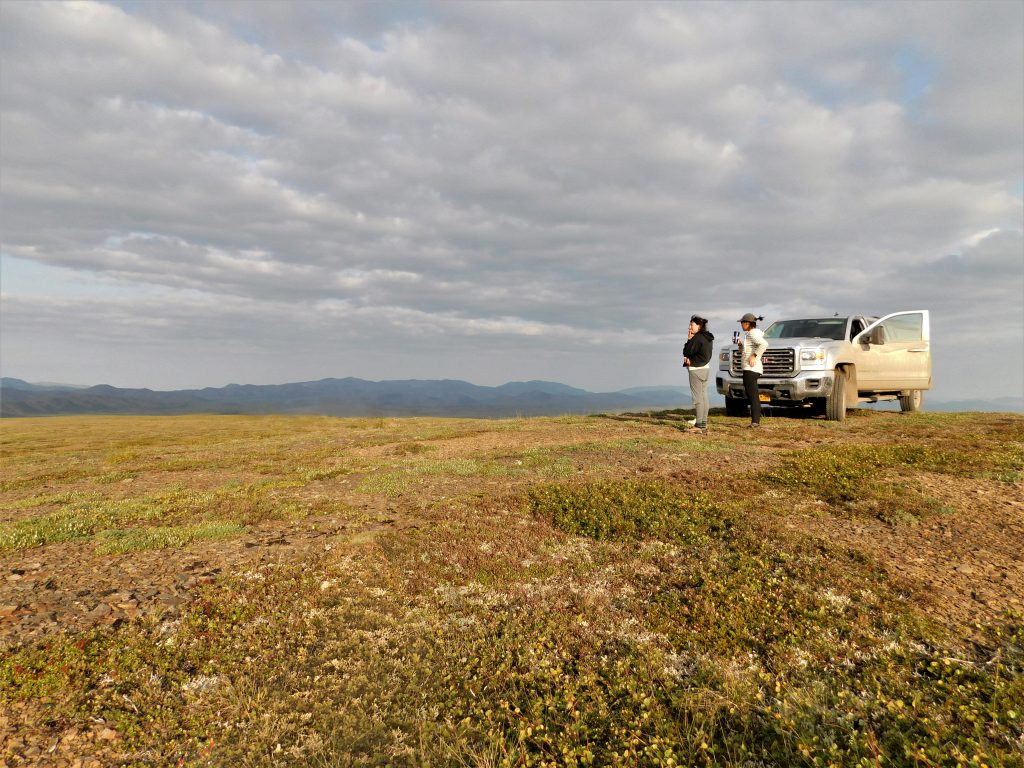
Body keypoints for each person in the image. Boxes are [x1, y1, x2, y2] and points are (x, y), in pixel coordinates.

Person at [683, 315, 714, 434]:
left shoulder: (697, 338)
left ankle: (699, 425)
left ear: (699, 326)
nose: (689, 327)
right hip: (706, 369)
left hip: (696, 370)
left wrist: (689, 339)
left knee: (697, 398)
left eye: (691, 324)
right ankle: (703, 423)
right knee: (704, 396)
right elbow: (704, 355)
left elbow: (686, 351)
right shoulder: (708, 337)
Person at [737, 312, 768, 428]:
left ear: (747, 323)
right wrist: (740, 345)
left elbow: (764, 344)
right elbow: (744, 352)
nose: (741, 324)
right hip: (751, 368)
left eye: (742, 322)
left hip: (751, 368)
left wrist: (754, 355)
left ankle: (755, 422)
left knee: (753, 395)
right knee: (752, 394)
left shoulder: (751, 334)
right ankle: (755, 421)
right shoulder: (750, 334)